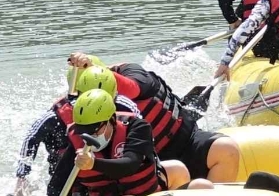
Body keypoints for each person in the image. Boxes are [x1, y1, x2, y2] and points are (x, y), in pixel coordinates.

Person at [37, 90, 208, 196]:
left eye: (94, 130)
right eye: (84, 131)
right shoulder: (76, 145)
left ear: (110, 119)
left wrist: (94, 164)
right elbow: (56, 191)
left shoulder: (137, 128)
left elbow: (131, 164)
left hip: (150, 192)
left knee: (201, 186)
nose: (89, 137)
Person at [67, 53, 241, 183]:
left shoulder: (132, 73)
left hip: (188, 143)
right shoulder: (84, 112)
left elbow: (134, 89)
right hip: (148, 162)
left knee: (226, 149)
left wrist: (95, 70)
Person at [14, 66, 140, 196]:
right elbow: (31, 138)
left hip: (116, 165)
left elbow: (141, 140)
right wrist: (22, 177)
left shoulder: (125, 107)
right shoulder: (55, 116)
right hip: (72, 172)